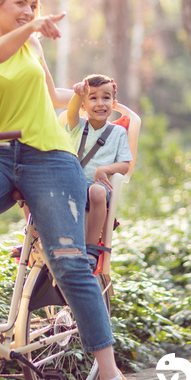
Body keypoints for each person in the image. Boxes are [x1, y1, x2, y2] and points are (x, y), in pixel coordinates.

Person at [0, 0, 127, 380]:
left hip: (50, 159)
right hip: (0, 157)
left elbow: (51, 97)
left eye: (33, 5)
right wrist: (31, 29)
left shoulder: (32, 45)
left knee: (68, 262)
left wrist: (97, 101)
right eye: (19, 3)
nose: (29, 12)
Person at [66, 74, 132, 272]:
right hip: (72, 185)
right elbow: (70, 112)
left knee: (98, 191)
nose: (100, 103)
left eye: (106, 97)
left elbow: (125, 165)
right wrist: (78, 94)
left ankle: (91, 250)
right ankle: (38, 238)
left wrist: (105, 169)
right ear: (83, 106)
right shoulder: (77, 127)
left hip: (97, 190)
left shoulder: (118, 133)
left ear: (114, 102)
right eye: (93, 98)